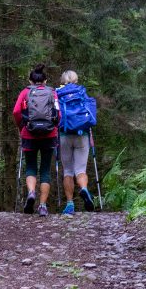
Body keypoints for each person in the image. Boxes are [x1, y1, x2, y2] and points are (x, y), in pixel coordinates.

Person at [12, 64, 59, 215]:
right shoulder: (52, 92)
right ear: (45, 80)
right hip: (49, 134)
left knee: (31, 166)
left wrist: (22, 127)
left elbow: (16, 111)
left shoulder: (25, 92)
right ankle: (43, 206)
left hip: (29, 133)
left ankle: (31, 192)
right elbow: (58, 113)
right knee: (45, 170)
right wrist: (55, 126)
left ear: (30, 80)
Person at [56, 70, 96, 215]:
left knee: (68, 171)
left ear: (63, 80)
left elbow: (56, 115)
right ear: (76, 79)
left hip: (65, 135)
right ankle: (84, 189)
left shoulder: (58, 94)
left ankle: (70, 204)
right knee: (80, 169)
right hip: (82, 135)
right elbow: (90, 114)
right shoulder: (82, 92)